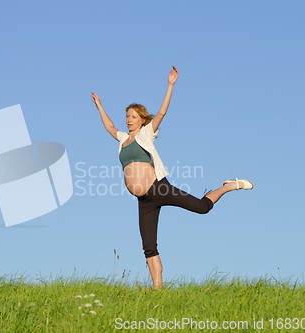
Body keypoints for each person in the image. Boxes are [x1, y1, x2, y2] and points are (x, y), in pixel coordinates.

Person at [91, 66, 253, 290]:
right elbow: (109, 126)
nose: (128, 120)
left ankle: (227, 187)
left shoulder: (147, 134)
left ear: (141, 120)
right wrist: (99, 105)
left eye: (133, 117)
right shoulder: (122, 140)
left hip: (159, 189)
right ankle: (158, 291)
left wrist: (170, 85)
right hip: (144, 200)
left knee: (202, 208)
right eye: (127, 116)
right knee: (149, 246)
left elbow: (162, 113)